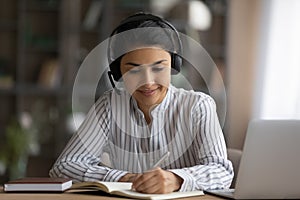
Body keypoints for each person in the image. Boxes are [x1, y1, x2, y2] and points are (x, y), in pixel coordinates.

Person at [49, 12, 233, 194]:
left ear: (174, 65)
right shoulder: (110, 106)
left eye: (158, 68)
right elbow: (64, 166)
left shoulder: (198, 106)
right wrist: (123, 178)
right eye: (134, 70)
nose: (148, 82)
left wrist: (176, 180)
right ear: (117, 72)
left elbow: (221, 171)